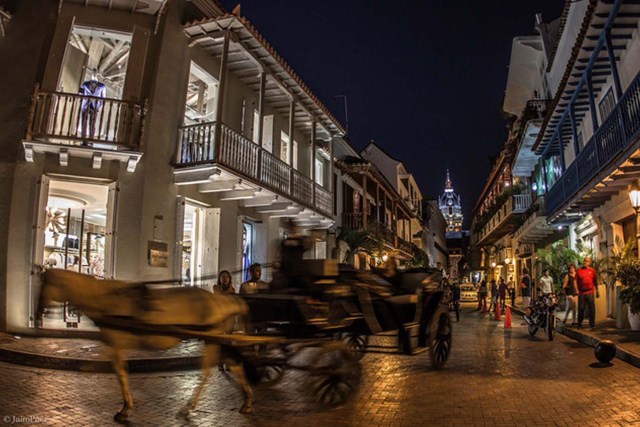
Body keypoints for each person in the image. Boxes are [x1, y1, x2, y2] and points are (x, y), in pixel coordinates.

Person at [576, 256, 599, 329]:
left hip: (590, 292)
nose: (585, 262)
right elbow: (575, 281)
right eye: (584, 261)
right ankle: (579, 323)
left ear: (589, 263)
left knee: (592, 308)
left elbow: (595, 281)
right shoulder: (579, 271)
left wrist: (597, 290)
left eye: (587, 261)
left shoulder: (592, 271)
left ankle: (592, 324)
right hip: (582, 293)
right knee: (581, 308)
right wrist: (577, 290)